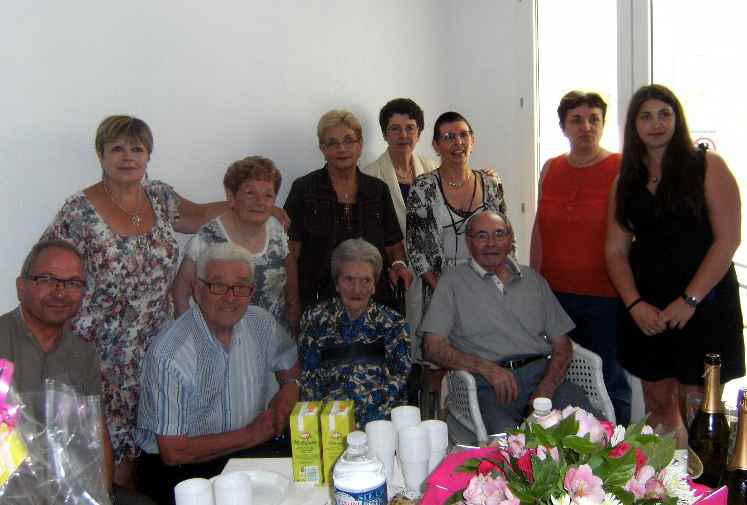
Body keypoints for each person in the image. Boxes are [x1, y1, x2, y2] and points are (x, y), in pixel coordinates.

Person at [41, 115, 226, 488]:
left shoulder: (159, 197)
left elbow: (199, 216)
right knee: (111, 446)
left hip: (157, 343)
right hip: (102, 351)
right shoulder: (79, 210)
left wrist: (256, 206)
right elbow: (48, 266)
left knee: (153, 439)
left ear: (148, 156)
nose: (128, 157)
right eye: (117, 149)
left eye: (137, 149)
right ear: (101, 155)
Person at [606, 84, 743, 442]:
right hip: (647, 307)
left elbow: (728, 240)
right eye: (646, 116)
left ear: (677, 119)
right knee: (657, 402)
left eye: (664, 114)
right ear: (634, 125)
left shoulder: (707, 166)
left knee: (698, 405)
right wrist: (634, 304)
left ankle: (706, 487)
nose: (656, 123)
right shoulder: (625, 181)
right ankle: (665, 488)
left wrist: (690, 300)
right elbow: (615, 251)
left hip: (704, 302)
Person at [136, 243, 299, 505]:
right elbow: (173, 451)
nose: (230, 297)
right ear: (198, 290)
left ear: (251, 291)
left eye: (241, 287)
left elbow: (289, 363)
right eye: (218, 286)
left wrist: (289, 389)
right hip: (185, 470)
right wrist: (252, 434)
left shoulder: (261, 323)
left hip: (248, 452)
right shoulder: (171, 353)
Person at [0, 240, 155, 505]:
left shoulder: (83, 355)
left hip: (68, 490)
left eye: (73, 283)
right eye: (47, 279)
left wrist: (102, 496)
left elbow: (96, 434)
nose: (60, 292)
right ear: (21, 286)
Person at [421, 211, 593, 433]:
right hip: (487, 385)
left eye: (499, 234)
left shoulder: (533, 280)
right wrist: (487, 368)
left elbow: (562, 344)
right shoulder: (452, 282)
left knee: (587, 430)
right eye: (481, 236)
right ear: (468, 242)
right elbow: (431, 347)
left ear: (510, 239)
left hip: (541, 377)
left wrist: (547, 387)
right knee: (507, 449)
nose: (491, 243)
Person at [530, 91, 631, 426]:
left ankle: (618, 450)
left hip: (606, 297)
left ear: (603, 124)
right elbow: (540, 229)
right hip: (556, 296)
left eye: (594, 119)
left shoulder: (621, 167)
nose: (586, 127)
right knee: (563, 377)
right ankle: (569, 453)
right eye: (576, 120)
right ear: (564, 126)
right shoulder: (551, 169)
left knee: (610, 380)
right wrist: (534, 282)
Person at [284, 109, 412, 325]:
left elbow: (393, 245)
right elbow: (290, 254)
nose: (341, 149)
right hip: (318, 304)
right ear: (322, 149)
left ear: (360, 145)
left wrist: (399, 263)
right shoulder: (304, 189)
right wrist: (293, 305)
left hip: (373, 301)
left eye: (349, 141)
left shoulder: (377, 190)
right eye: (332, 143)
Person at [406, 111, 507, 356]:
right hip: (438, 290)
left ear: (473, 140)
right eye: (449, 137)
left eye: (463, 135)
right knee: (440, 366)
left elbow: (504, 241)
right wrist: (449, 295)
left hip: (485, 290)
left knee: (482, 360)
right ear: (436, 145)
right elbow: (417, 252)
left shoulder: (491, 184)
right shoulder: (424, 187)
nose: (458, 143)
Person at [297, 238, 412, 427]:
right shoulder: (315, 319)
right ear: (337, 283)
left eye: (366, 280)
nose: (357, 289)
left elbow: (399, 380)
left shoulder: (393, 323)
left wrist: (360, 416)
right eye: (349, 279)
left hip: (379, 421)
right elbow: (308, 378)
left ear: (375, 284)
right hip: (329, 421)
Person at [172, 155, 293, 330]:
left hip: (272, 336)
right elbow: (179, 293)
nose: (260, 201)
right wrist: (193, 339)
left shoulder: (275, 228)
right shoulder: (208, 237)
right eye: (250, 193)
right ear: (231, 196)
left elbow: (290, 270)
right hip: (220, 339)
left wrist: (293, 307)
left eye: (267, 195)